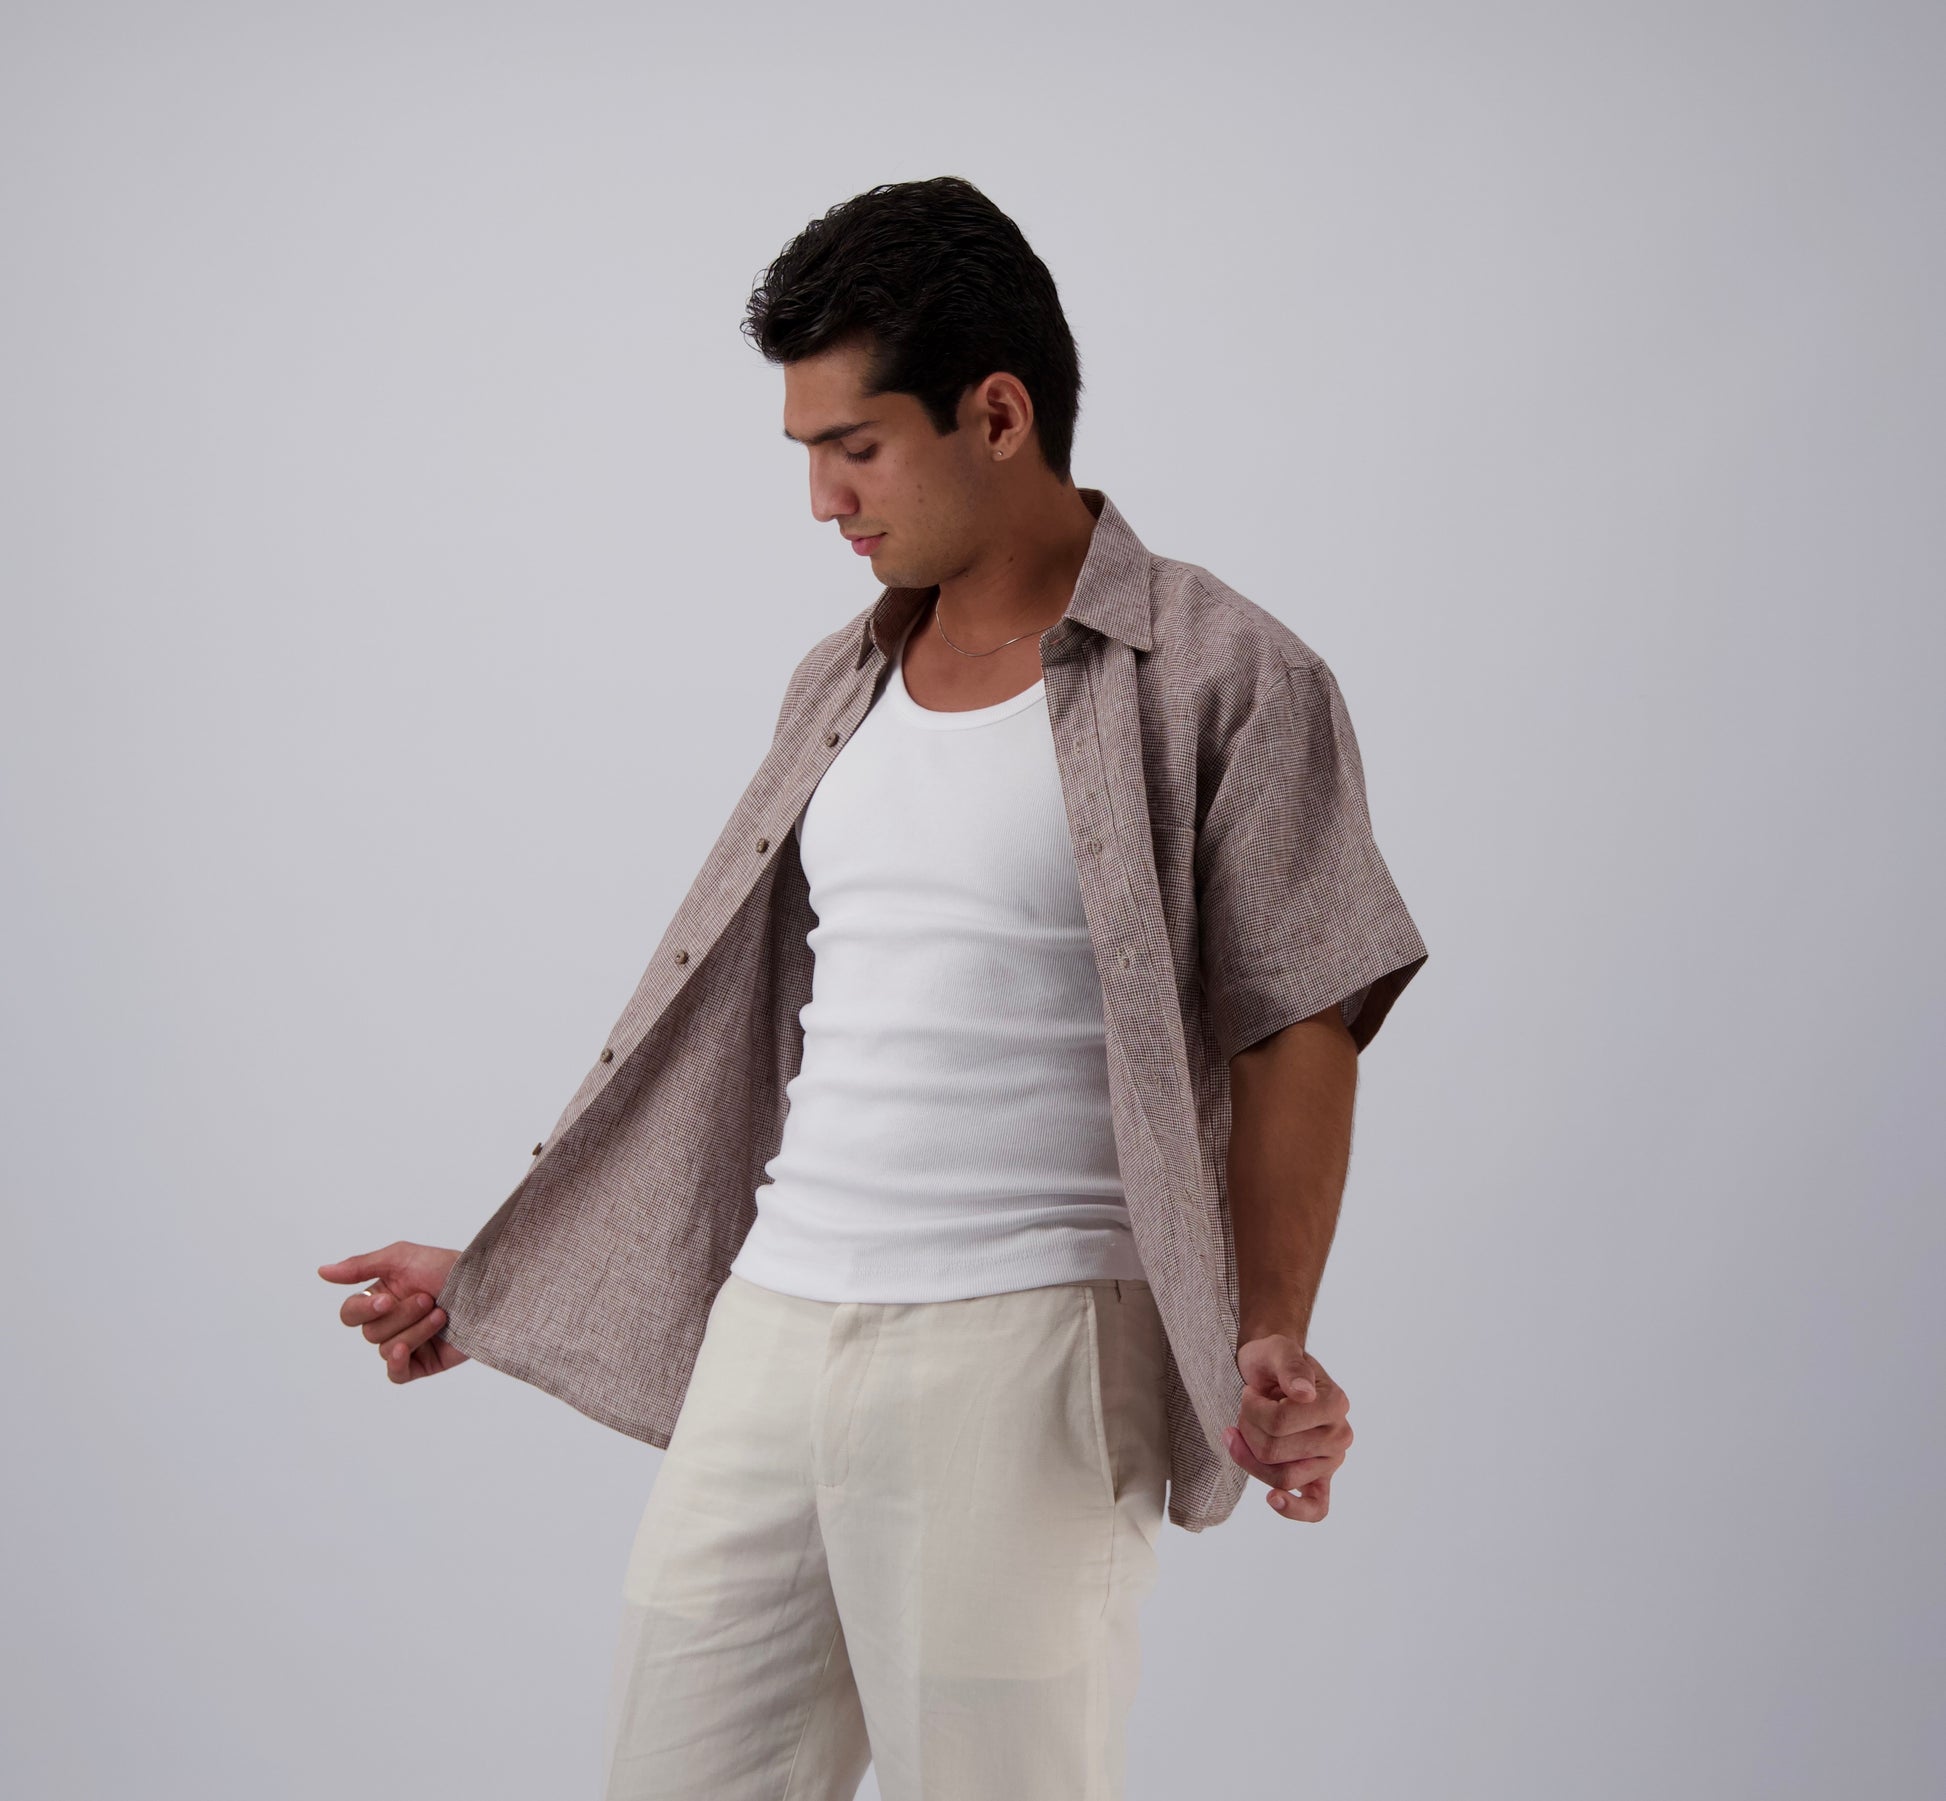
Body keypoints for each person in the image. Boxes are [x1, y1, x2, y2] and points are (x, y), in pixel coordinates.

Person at [318, 174, 1428, 1801]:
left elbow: (1297, 1024)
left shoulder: (1225, 675)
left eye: (854, 446)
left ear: (997, 415)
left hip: (1031, 1350)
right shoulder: (838, 682)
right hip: (769, 1331)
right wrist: (498, 1269)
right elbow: (742, 1041)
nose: (822, 499)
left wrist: (1271, 1328)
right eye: (805, 453)